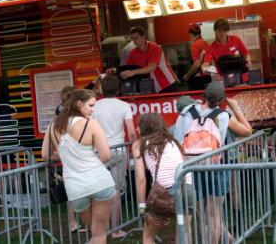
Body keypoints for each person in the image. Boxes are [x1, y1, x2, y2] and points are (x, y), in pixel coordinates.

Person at [172, 81, 252, 243]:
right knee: (214, 214)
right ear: (222, 99)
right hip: (216, 168)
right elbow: (248, 131)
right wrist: (235, 107)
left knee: (201, 214)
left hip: (190, 169)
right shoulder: (223, 116)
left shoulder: (186, 111)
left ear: (203, 95)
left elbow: (178, 138)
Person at [41, 89, 115, 244]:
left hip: (75, 188)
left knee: (94, 233)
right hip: (99, 181)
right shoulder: (91, 124)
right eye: (91, 105)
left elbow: (46, 155)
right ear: (79, 104)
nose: (93, 110)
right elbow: (106, 156)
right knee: (99, 233)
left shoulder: (52, 126)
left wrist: (66, 154)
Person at [132, 113, 194, 244]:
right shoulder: (173, 141)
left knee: (148, 235)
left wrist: (142, 205)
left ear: (146, 127)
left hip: (164, 192)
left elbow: (141, 178)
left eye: (139, 126)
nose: (137, 129)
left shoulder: (139, 144)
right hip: (187, 187)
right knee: (184, 231)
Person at [91, 74, 136, 239]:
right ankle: (116, 229)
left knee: (99, 190)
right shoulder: (124, 106)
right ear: (118, 89)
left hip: (99, 151)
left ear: (102, 88)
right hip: (119, 150)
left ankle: (99, 229)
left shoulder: (94, 106)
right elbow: (131, 132)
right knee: (116, 190)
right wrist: (135, 146)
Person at [120, 26, 178, 93]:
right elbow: (127, 68)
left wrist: (133, 72)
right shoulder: (133, 53)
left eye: (136, 38)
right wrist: (114, 70)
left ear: (143, 37)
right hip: (151, 87)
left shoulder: (154, 48)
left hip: (167, 84)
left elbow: (152, 67)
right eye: (132, 39)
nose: (134, 41)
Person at [182, 24, 212, 90]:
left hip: (198, 79)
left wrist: (187, 75)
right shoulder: (205, 43)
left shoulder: (194, 45)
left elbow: (197, 64)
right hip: (208, 76)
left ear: (190, 34)